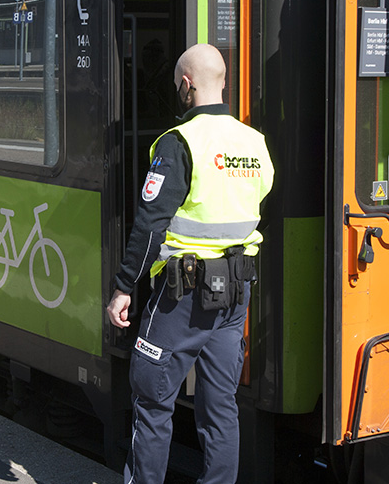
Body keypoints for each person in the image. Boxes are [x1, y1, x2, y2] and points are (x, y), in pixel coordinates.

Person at [106, 43, 274, 484]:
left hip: (183, 297)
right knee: (221, 410)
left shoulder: (179, 142)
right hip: (236, 294)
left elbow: (150, 226)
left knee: (152, 399)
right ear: (224, 82)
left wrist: (124, 286)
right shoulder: (254, 143)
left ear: (186, 84)